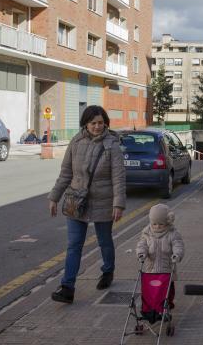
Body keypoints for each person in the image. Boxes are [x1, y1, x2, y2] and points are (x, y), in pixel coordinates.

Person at [47, 105, 126, 304]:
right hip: (76, 200)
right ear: (86, 124)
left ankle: (108, 271)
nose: (98, 126)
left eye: (101, 123)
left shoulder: (112, 145)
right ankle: (67, 288)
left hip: (103, 201)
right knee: (74, 245)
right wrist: (54, 197)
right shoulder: (76, 141)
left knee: (104, 241)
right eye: (93, 123)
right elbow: (66, 173)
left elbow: (118, 178)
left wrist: (118, 204)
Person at [136, 203, 184, 310]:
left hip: (167, 270)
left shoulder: (172, 233)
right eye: (154, 224)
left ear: (167, 223)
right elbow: (142, 244)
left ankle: (168, 304)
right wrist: (141, 253)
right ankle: (152, 305)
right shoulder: (147, 233)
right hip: (151, 270)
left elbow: (178, 244)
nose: (157, 226)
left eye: (161, 224)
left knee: (168, 289)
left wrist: (177, 254)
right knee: (152, 290)